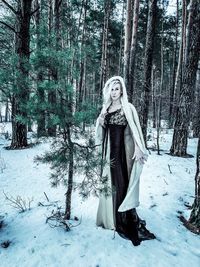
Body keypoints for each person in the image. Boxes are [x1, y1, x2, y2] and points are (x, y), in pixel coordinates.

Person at [95, 76, 155, 246]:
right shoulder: (106, 108)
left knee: (123, 184)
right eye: (112, 89)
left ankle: (126, 217)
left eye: (117, 89)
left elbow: (135, 130)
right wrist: (100, 121)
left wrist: (138, 147)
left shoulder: (128, 108)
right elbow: (100, 132)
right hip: (109, 153)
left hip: (124, 152)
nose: (114, 92)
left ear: (122, 90)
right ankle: (112, 218)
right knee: (113, 185)